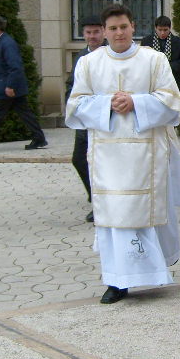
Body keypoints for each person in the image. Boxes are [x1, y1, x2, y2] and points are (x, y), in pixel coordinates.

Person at [66, 4, 180, 303]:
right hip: (107, 159)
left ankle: (152, 274)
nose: (118, 33)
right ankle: (117, 281)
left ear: (133, 26)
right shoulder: (89, 63)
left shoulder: (153, 60)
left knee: (143, 213)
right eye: (112, 28)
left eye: (123, 27)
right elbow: (74, 108)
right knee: (115, 217)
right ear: (103, 31)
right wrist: (107, 104)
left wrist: (137, 103)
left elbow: (171, 103)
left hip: (146, 156)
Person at [0, 15, 47, 152]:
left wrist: (10, 86)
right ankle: (39, 138)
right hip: (7, 86)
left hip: (6, 88)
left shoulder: (7, 43)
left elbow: (15, 66)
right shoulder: (0, 42)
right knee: (25, 114)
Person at [65, 16, 105, 222]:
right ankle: (94, 195)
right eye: (88, 32)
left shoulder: (111, 54)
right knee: (79, 159)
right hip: (84, 121)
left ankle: (102, 204)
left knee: (102, 164)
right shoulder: (81, 56)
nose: (92, 36)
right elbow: (71, 86)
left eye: (96, 32)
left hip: (105, 120)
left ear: (103, 32)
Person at [141, 15, 180, 84]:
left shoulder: (179, 42)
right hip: (151, 79)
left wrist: (168, 66)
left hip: (173, 79)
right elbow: (142, 60)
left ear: (170, 28)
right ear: (155, 28)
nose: (162, 33)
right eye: (160, 30)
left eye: (165, 30)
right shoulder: (146, 41)